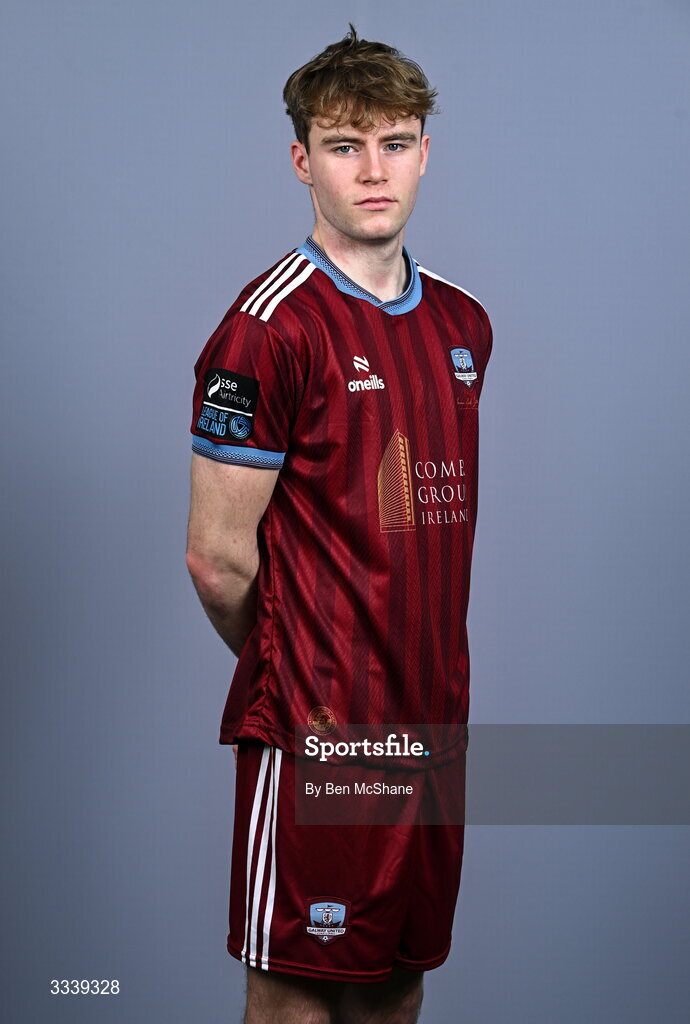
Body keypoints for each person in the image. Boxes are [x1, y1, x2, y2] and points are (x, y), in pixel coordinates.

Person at [186, 23, 493, 1024]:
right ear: (301, 161)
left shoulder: (463, 323)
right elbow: (216, 559)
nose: (372, 170)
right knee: (295, 1002)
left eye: (394, 143)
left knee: (396, 991)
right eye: (344, 145)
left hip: (433, 731)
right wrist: (301, 671)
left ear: (424, 153)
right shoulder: (268, 329)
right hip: (320, 735)